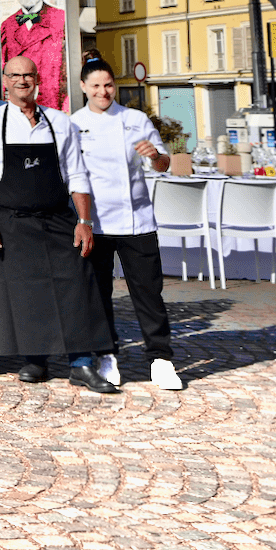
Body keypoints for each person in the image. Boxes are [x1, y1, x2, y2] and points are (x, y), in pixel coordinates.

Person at [0, 55, 116, 392]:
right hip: (12, 222)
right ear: (5, 81)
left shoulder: (60, 122)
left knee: (76, 287)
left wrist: (84, 220)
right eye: (15, 75)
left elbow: (77, 175)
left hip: (59, 219)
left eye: (28, 75)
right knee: (25, 293)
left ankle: (81, 364)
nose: (22, 81)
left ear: (38, 80)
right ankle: (35, 361)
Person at [74, 60, 183, 390]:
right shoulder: (74, 124)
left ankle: (160, 359)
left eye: (108, 85)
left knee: (148, 293)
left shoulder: (135, 119)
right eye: (95, 86)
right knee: (99, 294)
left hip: (137, 221)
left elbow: (164, 164)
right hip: (96, 221)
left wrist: (155, 156)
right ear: (83, 87)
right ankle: (106, 355)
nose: (103, 92)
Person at [0, 0, 68, 113]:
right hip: (19, 110)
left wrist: (67, 108)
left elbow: (70, 71)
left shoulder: (61, 19)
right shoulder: (7, 26)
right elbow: (4, 73)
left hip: (54, 110)